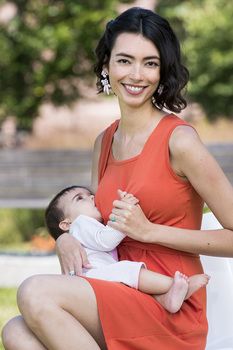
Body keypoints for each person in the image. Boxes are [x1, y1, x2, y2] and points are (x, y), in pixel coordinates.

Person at [2, 6, 233, 350]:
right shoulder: (104, 142)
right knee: (16, 332)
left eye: (150, 63)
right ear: (107, 66)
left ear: (162, 70)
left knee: (35, 292)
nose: (136, 74)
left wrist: (150, 231)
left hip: (170, 298)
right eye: (125, 60)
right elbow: (97, 222)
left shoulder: (179, 140)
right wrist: (66, 240)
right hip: (119, 287)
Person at [45, 185, 209, 314]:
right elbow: (105, 240)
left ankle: (164, 299)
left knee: (131, 284)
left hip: (97, 280)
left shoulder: (87, 228)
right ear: (66, 224)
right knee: (127, 269)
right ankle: (176, 285)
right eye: (80, 198)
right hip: (91, 278)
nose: (91, 197)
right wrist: (124, 213)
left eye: (90, 194)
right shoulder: (79, 224)